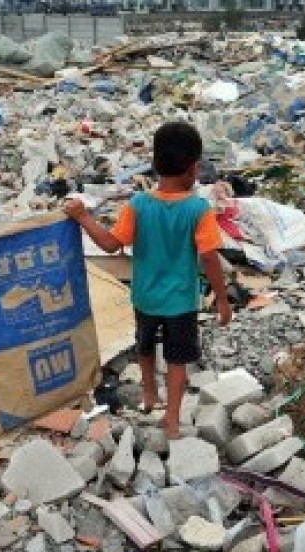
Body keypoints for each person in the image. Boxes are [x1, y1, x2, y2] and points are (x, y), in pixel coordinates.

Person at [64, 122, 232, 439]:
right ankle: (171, 418)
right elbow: (209, 257)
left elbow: (111, 245)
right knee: (177, 359)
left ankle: (149, 393)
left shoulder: (138, 204)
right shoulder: (199, 209)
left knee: (144, 346)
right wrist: (222, 299)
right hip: (181, 302)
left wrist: (83, 216)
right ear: (194, 169)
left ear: (154, 165)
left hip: (144, 297)